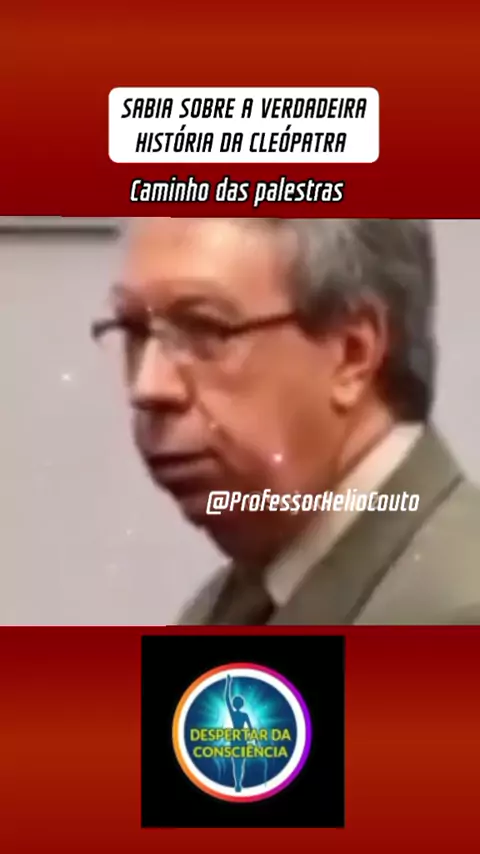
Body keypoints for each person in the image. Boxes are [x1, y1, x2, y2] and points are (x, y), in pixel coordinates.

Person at [92, 218, 480, 625]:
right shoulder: (237, 600)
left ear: (353, 353)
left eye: (206, 329)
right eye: (134, 330)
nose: (148, 387)